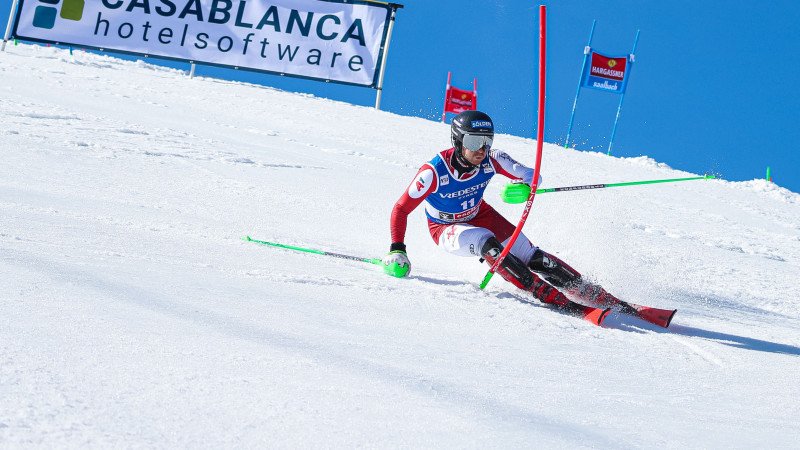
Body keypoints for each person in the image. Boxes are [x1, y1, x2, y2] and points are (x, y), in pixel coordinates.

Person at [382, 110, 614, 319]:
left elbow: (532, 175)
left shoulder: (493, 159)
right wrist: (397, 249)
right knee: (486, 242)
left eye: (487, 141)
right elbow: (401, 209)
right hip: (444, 227)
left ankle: (592, 292)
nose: (482, 149)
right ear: (458, 140)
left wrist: (524, 186)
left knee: (531, 255)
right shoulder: (433, 172)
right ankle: (552, 297)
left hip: (480, 214)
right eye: (474, 141)